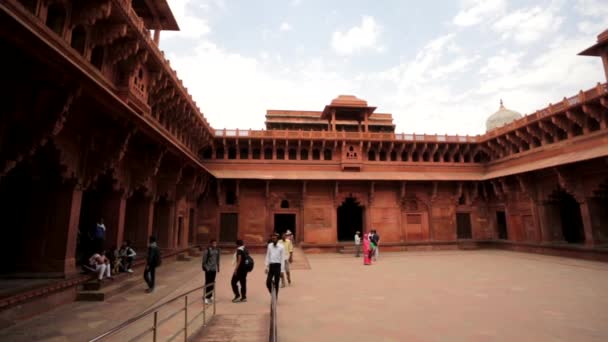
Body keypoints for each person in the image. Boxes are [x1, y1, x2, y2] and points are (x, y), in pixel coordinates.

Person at [265, 233, 285, 298]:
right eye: (272, 238)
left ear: (277, 239)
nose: (273, 239)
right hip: (271, 266)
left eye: (274, 238)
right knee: (268, 282)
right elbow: (267, 256)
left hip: (278, 266)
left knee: (276, 283)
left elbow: (282, 259)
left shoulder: (281, 247)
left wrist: (282, 270)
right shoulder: (269, 246)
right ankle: (272, 293)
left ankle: (275, 296)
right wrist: (266, 266)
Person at [202, 239, 220, 304]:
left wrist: (218, 267)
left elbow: (218, 259)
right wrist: (205, 267)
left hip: (214, 269)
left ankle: (210, 295)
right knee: (208, 282)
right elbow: (204, 260)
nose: (214, 244)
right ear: (211, 244)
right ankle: (206, 297)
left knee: (212, 282)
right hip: (208, 269)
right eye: (213, 243)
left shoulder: (217, 250)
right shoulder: (207, 250)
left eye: (215, 243)